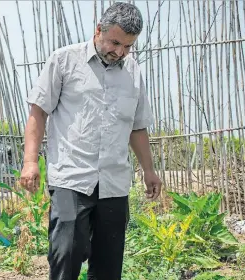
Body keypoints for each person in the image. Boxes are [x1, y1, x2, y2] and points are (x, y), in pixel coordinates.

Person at [19, 3, 162, 280]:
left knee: (109, 268)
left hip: (114, 183)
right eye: (115, 42)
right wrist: (29, 161)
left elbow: (137, 126)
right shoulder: (64, 61)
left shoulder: (133, 71)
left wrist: (149, 170)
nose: (120, 52)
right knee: (66, 254)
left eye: (128, 47)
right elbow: (38, 111)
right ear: (99, 30)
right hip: (71, 178)